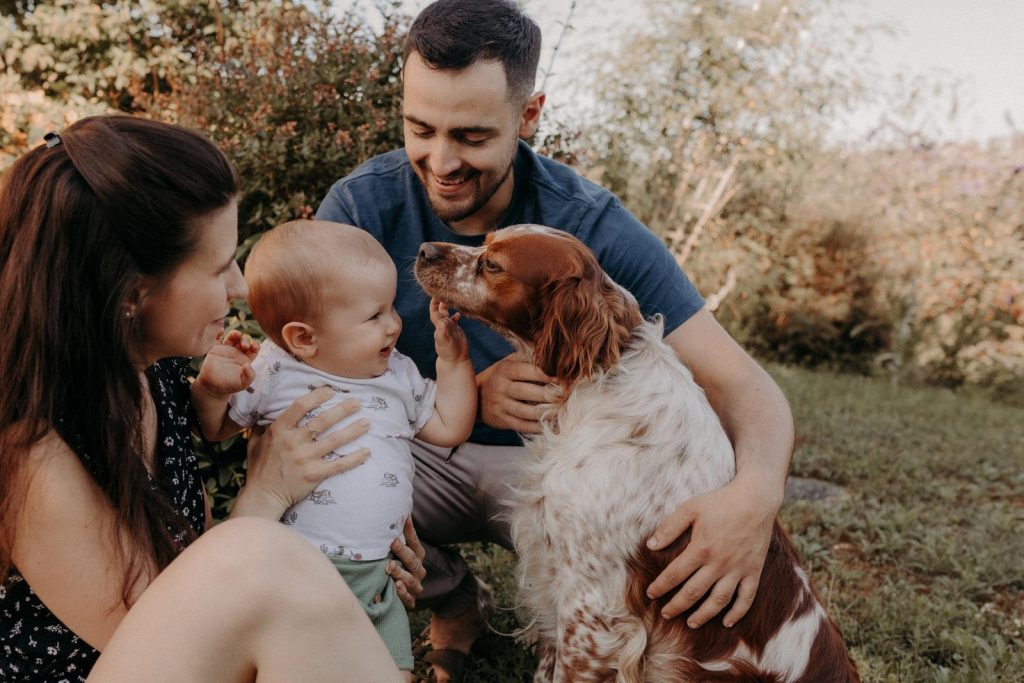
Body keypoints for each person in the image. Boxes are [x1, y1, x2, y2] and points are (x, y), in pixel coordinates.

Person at [315, 0, 796, 680]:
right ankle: (451, 600)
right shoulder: (360, 209)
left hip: (557, 472)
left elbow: (746, 385)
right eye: (419, 128)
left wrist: (755, 497)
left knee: (606, 570)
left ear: (528, 116)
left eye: (473, 136)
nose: (441, 160)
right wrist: (468, 398)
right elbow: (314, 380)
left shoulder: (589, 228)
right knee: (320, 475)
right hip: (427, 454)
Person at [0, 116, 424, 682]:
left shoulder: (157, 375)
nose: (242, 287)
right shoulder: (28, 448)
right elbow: (158, 634)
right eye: (219, 265)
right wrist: (266, 495)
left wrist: (353, 569)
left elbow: (191, 567)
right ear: (132, 292)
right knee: (261, 556)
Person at [190, 219, 477, 678]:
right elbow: (218, 427)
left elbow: (448, 426)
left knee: (392, 672)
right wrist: (212, 389)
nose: (395, 325)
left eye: (391, 308)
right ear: (303, 338)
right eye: (375, 315)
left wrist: (454, 362)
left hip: (379, 576)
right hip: (297, 570)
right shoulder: (274, 371)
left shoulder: (397, 374)